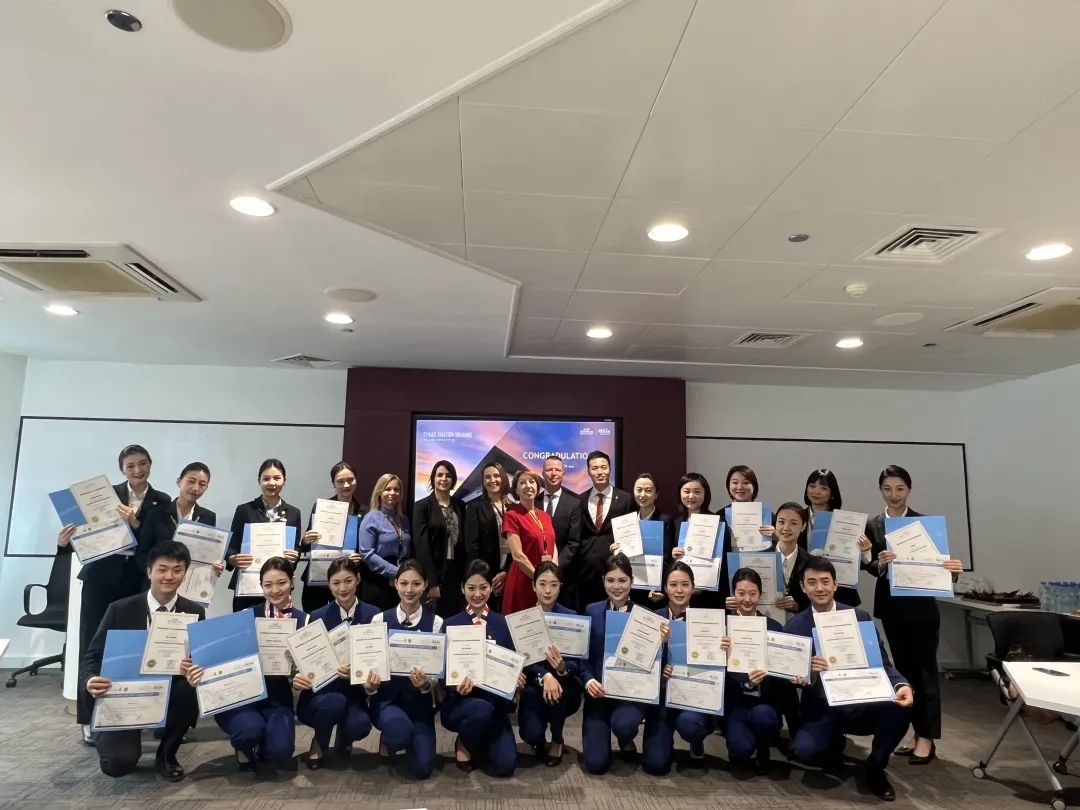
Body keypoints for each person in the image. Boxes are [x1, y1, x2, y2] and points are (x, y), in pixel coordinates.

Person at [58, 443, 173, 745]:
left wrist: (136, 524)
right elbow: (86, 538)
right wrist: (64, 543)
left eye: (142, 463)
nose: (138, 470)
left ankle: (132, 712)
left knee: (132, 647)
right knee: (91, 646)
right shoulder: (103, 495)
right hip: (100, 580)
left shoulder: (162, 501)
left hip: (136, 582)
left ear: (150, 464)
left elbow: (160, 544)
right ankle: (88, 719)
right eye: (130, 465)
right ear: (122, 469)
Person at [784, 556, 913, 801]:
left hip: (862, 702)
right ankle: (833, 742)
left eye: (825, 581)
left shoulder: (860, 617)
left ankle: (876, 767)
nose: (819, 588)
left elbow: (882, 662)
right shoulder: (794, 627)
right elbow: (790, 679)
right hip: (823, 707)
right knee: (806, 752)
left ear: (835, 584)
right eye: (812, 582)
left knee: (901, 705)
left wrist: (901, 684)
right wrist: (808, 675)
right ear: (802, 587)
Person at [80, 540, 203, 780]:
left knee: (189, 688)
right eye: (162, 569)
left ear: (185, 573)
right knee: (118, 765)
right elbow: (92, 656)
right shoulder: (120, 609)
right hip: (124, 693)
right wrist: (91, 679)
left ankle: (166, 754)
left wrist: (193, 667)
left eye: (177, 570)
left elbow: (197, 657)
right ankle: (123, 733)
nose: (169, 576)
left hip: (169, 688)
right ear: (149, 571)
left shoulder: (194, 611)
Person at [865, 464, 962, 765]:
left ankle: (927, 737)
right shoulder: (873, 524)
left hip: (922, 610)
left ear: (908, 489)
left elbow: (939, 567)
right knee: (904, 673)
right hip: (892, 610)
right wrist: (879, 563)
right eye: (887, 489)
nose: (894, 495)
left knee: (926, 673)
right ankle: (914, 732)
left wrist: (952, 570)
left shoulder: (925, 524)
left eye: (900, 489)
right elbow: (869, 567)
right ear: (880, 490)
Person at [190, 556, 307, 772]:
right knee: (247, 732)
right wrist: (199, 670)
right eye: (268, 585)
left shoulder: (304, 620)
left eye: (281, 583)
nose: (275, 590)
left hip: (277, 697)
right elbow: (220, 656)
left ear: (292, 582)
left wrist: (297, 673)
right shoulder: (245, 616)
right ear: (261, 586)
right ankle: (245, 745)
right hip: (241, 697)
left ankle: (264, 743)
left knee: (280, 751)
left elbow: (307, 671)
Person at [579, 553, 670, 775]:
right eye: (611, 580)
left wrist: (662, 644)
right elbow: (582, 658)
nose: (616, 586)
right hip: (599, 694)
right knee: (595, 764)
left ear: (632, 581)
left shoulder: (646, 616)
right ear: (603, 581)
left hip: (630, 695)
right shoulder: (591, 611)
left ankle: (625, 737)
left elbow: (655, 664)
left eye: (622, 580)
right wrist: (588, 680)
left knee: (625, 725)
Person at [296, 557, 380, 768]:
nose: (343, 588)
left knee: (360, 725)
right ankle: (319, 741)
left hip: (354, 692)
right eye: (336, 582)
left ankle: (345, 735)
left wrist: (359, 673)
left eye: (348, 581)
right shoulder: (316, 616)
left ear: (358, 579)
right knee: (333, 703)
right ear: (329, 585)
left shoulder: (374, 615)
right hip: (322, 694)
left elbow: (376, 659)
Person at [441, 560, 522, 776]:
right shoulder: (450, 624)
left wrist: (516, 678)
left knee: (505, 767)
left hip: (495, 704)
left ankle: (481, 740)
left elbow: (511, 663)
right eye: (471, 588)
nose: (477, 594)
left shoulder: (503, 623)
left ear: (491, 588)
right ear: (462, 589)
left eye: (483, 587)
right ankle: (465, 741)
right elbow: (443, 673)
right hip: (461, 703)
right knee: (480, 710)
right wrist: (455, 685)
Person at [368, 560, 442, 780]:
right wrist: (370, 685)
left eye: (416, 584)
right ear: (395, 584)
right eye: (404, 583)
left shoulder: (436, 622)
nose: (409, 590)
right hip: (387, 701)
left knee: (423, 769)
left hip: (419, 705)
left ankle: (409, 737)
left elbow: (436, 674)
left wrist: (426, 684)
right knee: (399, 732)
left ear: (425, 585)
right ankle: (391, 737)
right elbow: (370, 663)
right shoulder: (379, 620)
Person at [722, 567, 789, 775]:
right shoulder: (723, 628)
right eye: (741, 593)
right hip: (736, 704)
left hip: (764, 703)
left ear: (760, 594)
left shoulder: (774, 627)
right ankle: (741, 744)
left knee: (764, 716)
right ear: (733, 594)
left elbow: (782, 672)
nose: (747, 599)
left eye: (753, 593)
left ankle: (763, 746)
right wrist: (720, 653)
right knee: (740, 750)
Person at [517, 561, 581, 766]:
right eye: (542, 584)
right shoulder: (523, 619)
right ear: (533, 586)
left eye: (553, 585)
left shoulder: (571, 617)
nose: (547, 590)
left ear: (560, 587)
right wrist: (544, 675)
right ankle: (539, 739)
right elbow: (523, 660)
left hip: (564, 688)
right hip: (533, 686)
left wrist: (561, 668)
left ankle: (557, 738)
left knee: (558, 694)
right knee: (530, 734)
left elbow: (577, 663)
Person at [225, 459, 302, 612]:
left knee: (278, 624)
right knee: (247, 625)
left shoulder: (294, 513)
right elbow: (231, 546)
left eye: (277, 478)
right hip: (248, 584)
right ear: (259, 481)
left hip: (279, 587)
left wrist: (296, 555)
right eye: (266, 478)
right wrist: (232, 558)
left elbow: (295, 546)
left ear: (284, 481)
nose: (271, 483)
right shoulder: (244, 510)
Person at [561, 451, 635, 611]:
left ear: (610, 469)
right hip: (584, 573)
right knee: (587, 615)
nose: (599, 472)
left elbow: (632, 535)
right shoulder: (579, 500)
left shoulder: (625, 499)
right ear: (588, 472)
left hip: (614, 572)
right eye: (594, 468)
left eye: (603, 467)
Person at [655, 561, 711, 770]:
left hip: (692, 696)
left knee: (690, 725)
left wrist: (722, 648)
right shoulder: (652, 619)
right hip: (661, 697)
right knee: (656, 764)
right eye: (673, 584)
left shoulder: (708, 622)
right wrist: (660, 668)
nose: (679, 590)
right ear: (665, 588)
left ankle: (696, 742)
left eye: (685, 585)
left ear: (693, 588)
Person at [768, 501, 866, 615]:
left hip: (802, 622)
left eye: (793, 523)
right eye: (781, 522)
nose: (786, 528)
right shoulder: (761, 557)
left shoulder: (810, 562)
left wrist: (797, 606)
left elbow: (820, 598)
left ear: (803, 526)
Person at [298, 461, 367, 614]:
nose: (346, 485)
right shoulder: (321, 507)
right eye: (340, 481)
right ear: (333, 483)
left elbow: (366, 547)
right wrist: (305, 540)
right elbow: (306, 545)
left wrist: (359, 558)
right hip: (318, 577)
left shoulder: (365, 512)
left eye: (350, 480)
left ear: (356, 480)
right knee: (315, 620)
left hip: (346, 580)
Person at [412, 459, 466, 618]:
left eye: (448, 475)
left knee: (454, 620)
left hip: (456, 574)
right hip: (434, 574)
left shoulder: (460, 505)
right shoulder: (421, 506)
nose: (444, 479)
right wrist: (432, 583)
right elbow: (422, 547)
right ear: (433, 478)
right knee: (433, 621)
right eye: (439, 475)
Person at [137, 461, 218, 567]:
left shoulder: (208, 517)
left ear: (206, 488)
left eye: (202, 484)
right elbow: (141, 553)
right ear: (179, 481)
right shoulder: (155, 513)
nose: (195, 488)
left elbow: (206, 554)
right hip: (159, 575)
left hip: (191, 575)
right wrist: (155, 571)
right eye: (191, 481)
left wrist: (213, 566)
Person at [501, 470, 557, 614]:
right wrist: (538, 579)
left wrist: (553, 574)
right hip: (523, 579)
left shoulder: (545, 516)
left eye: (532, 482)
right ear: (516, 490)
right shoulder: (512, 516)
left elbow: (553, 545)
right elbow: (518, 555)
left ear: (537, 487)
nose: (528, 486)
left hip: (545, 582)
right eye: (522, 483)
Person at [357, 473, 412, 610]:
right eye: (388, 489)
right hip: (377, 581)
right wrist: (395, 572)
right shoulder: (371, 518)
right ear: (379, 492)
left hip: (400, 582)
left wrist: (403, 574)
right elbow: (366, 553)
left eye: (396, 489)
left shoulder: (404, 520)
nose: (392, 493)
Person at [669, 472, 723, 609]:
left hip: (710, 595)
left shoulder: (717, 522)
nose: (691, 496)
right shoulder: (677, 523)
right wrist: (673, 555)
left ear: (705, 494)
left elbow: (723, 559)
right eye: (686, 491)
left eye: (697, 492)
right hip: (682, 594)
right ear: (680, 493)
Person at [464, 462, 511, 605]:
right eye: (487, 477)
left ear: (503, 478)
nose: (492, 480)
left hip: (509, 573)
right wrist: (488, 576)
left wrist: (507, 572)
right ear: (483, 482)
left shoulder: (513, 507)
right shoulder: (475, 507)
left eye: (496, 476)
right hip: (485, 576)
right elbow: (472, 546)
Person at [628, 473, 675, 607]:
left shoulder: (665, 521)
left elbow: (666, 559)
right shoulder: (628, 522)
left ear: (656, 494)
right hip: (631, 588)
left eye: (648, 490)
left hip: (653, 591)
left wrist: (658, 587)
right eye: (639, 490)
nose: (642, 494)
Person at [538, 455, 581, 559]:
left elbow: (574, 543)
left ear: (563, 473)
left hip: (563, 565)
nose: (553, 473)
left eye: (557, 470)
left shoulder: (574, 503)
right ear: (542, 473)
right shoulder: (533, 502)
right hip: (535, 564)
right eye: (549, 470)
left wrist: (556, 565)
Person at [802, 468, 843, 550]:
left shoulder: (841, 520)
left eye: (824, 488)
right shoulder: (798, 517)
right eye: (812, 486)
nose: (817, 491)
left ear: (832, 493)